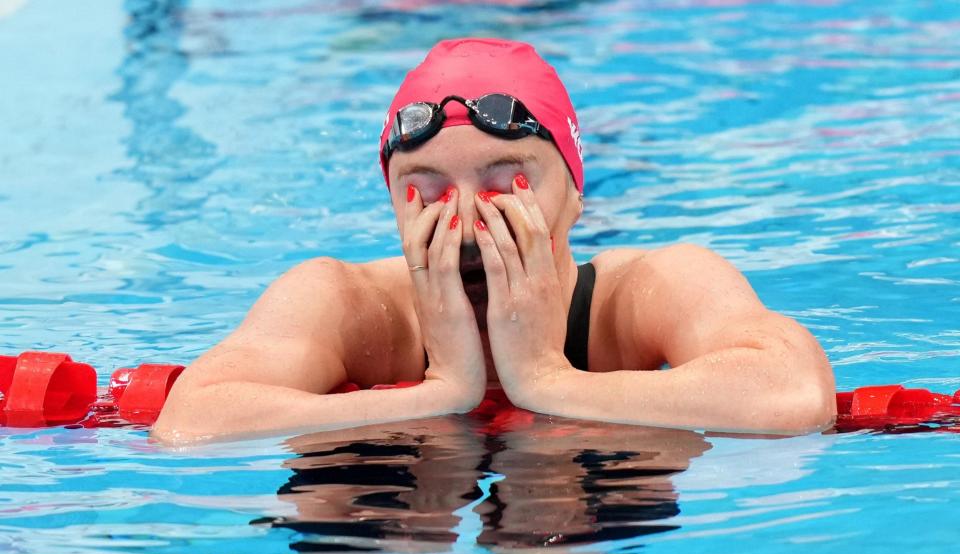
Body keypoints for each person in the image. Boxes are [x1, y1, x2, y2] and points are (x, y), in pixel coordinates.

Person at [151, 38, 835, 444]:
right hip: (396, 496)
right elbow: (189, 422)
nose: (471, 218)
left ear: (574, 193)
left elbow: (796, 394)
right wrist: (437, 393)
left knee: (581, 469)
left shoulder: (645, 290)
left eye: (508, 182)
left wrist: (546, 378)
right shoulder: (347, 302)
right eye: (428, 187)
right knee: (361, 487)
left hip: (585, 496)